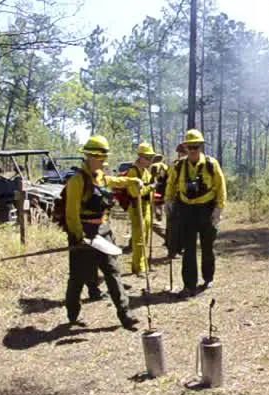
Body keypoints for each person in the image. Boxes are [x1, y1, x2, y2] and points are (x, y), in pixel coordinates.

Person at [62, 135, 143, 329]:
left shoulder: (102, 177)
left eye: (105, 157)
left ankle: (126, 316)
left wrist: (133, 181)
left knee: (112, 271)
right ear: (89, 157)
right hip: (83, 231)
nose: (104, 162)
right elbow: (71, 213)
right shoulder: (77, 181)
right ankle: (72, 315)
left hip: (103, 231)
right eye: (100, 158)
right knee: (78, 277)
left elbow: (116, 181)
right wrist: (80, 237)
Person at [166, 129, 227, 297]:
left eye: (196, 146)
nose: (193, 150)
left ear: (201, 147)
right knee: (188, 249)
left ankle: (208, 277)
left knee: (208, 246)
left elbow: (221, 187)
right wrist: (169, 203)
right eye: (190, 147)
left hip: (206, 210)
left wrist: (218, 209)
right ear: (185, 148)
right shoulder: (178, 166)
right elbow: (171, 186)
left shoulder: (211, 164)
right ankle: (189, 285)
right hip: (186, 210)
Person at [123, 142, 162, 274]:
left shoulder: (146, 171)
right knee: (138, 239)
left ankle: (143, 265)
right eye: (148, 157)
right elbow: (135, 193)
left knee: (145, 238)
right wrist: (151, 187)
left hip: (146, 208)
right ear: (140, 157)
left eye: (151, 158)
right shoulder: (133, 172)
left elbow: (149, 188)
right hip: (136, 209)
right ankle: (137, 268)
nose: (150, 160)